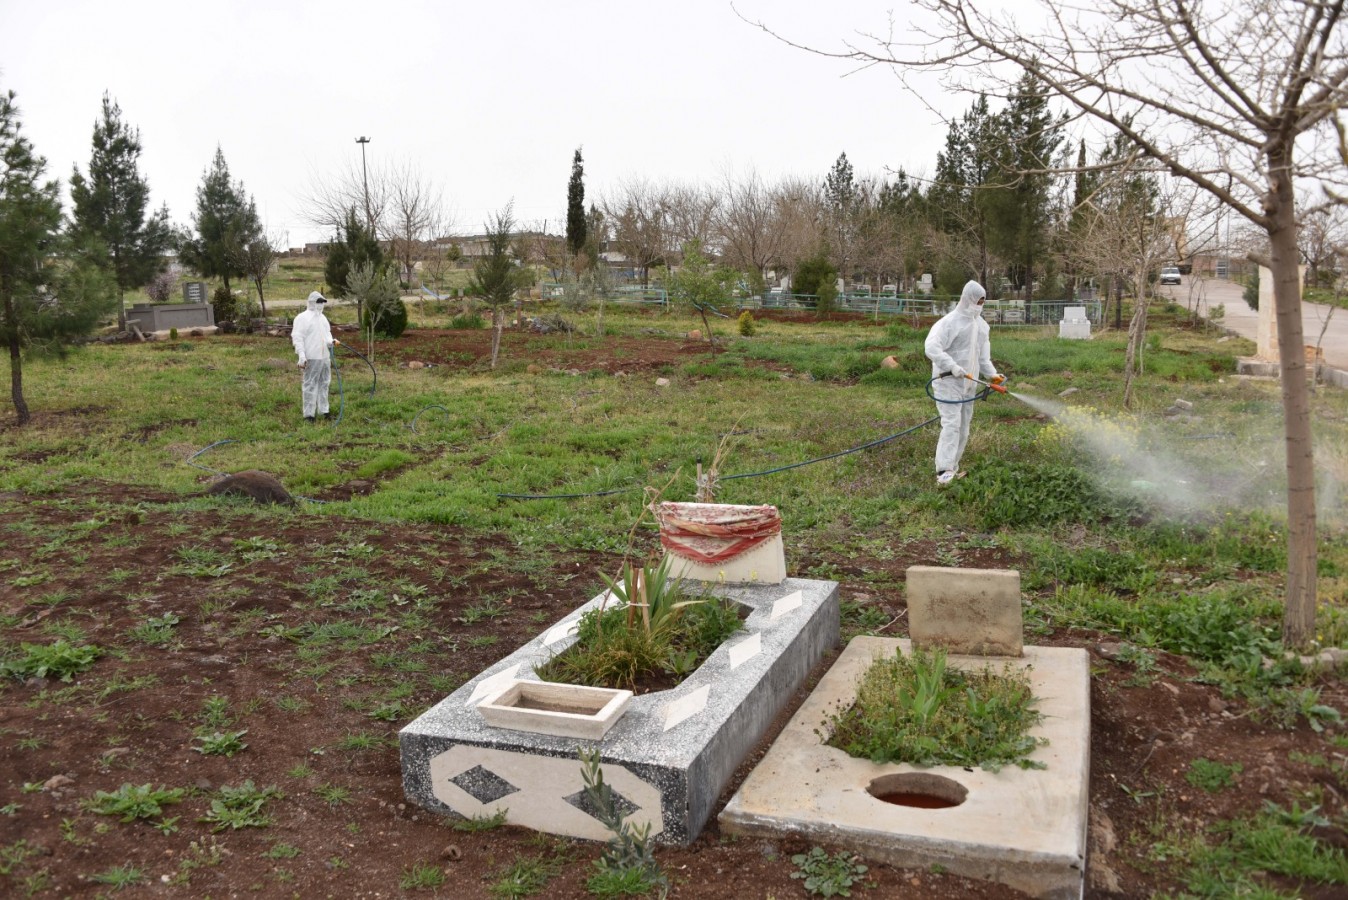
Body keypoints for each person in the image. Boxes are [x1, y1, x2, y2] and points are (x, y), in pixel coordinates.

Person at [924, 280, 1005, 485]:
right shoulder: (949, 323)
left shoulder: (981, 326)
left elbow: (983, 358)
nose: (979, 304)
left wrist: (993, 375)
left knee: (963, 427)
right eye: (977, 300)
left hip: (969, 385)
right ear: (967, 298)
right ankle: (943, 471)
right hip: (948, 383)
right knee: (951, 425)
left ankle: (953, 467)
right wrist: (951, 365)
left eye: (982, 301)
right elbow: (931, 347)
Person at [292, 291, 336, 422]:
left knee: (324, 383)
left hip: (324, 357)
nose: (321, 305)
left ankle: (324, 411)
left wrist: (331, 342)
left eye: (322, 302)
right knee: (310, 384)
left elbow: (327, 335)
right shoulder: (302, 318)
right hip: (312, 357)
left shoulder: (323, 318)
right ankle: (309, 415)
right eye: (318, 302)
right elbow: (298, 337)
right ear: (312, 302)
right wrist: (301, 355)